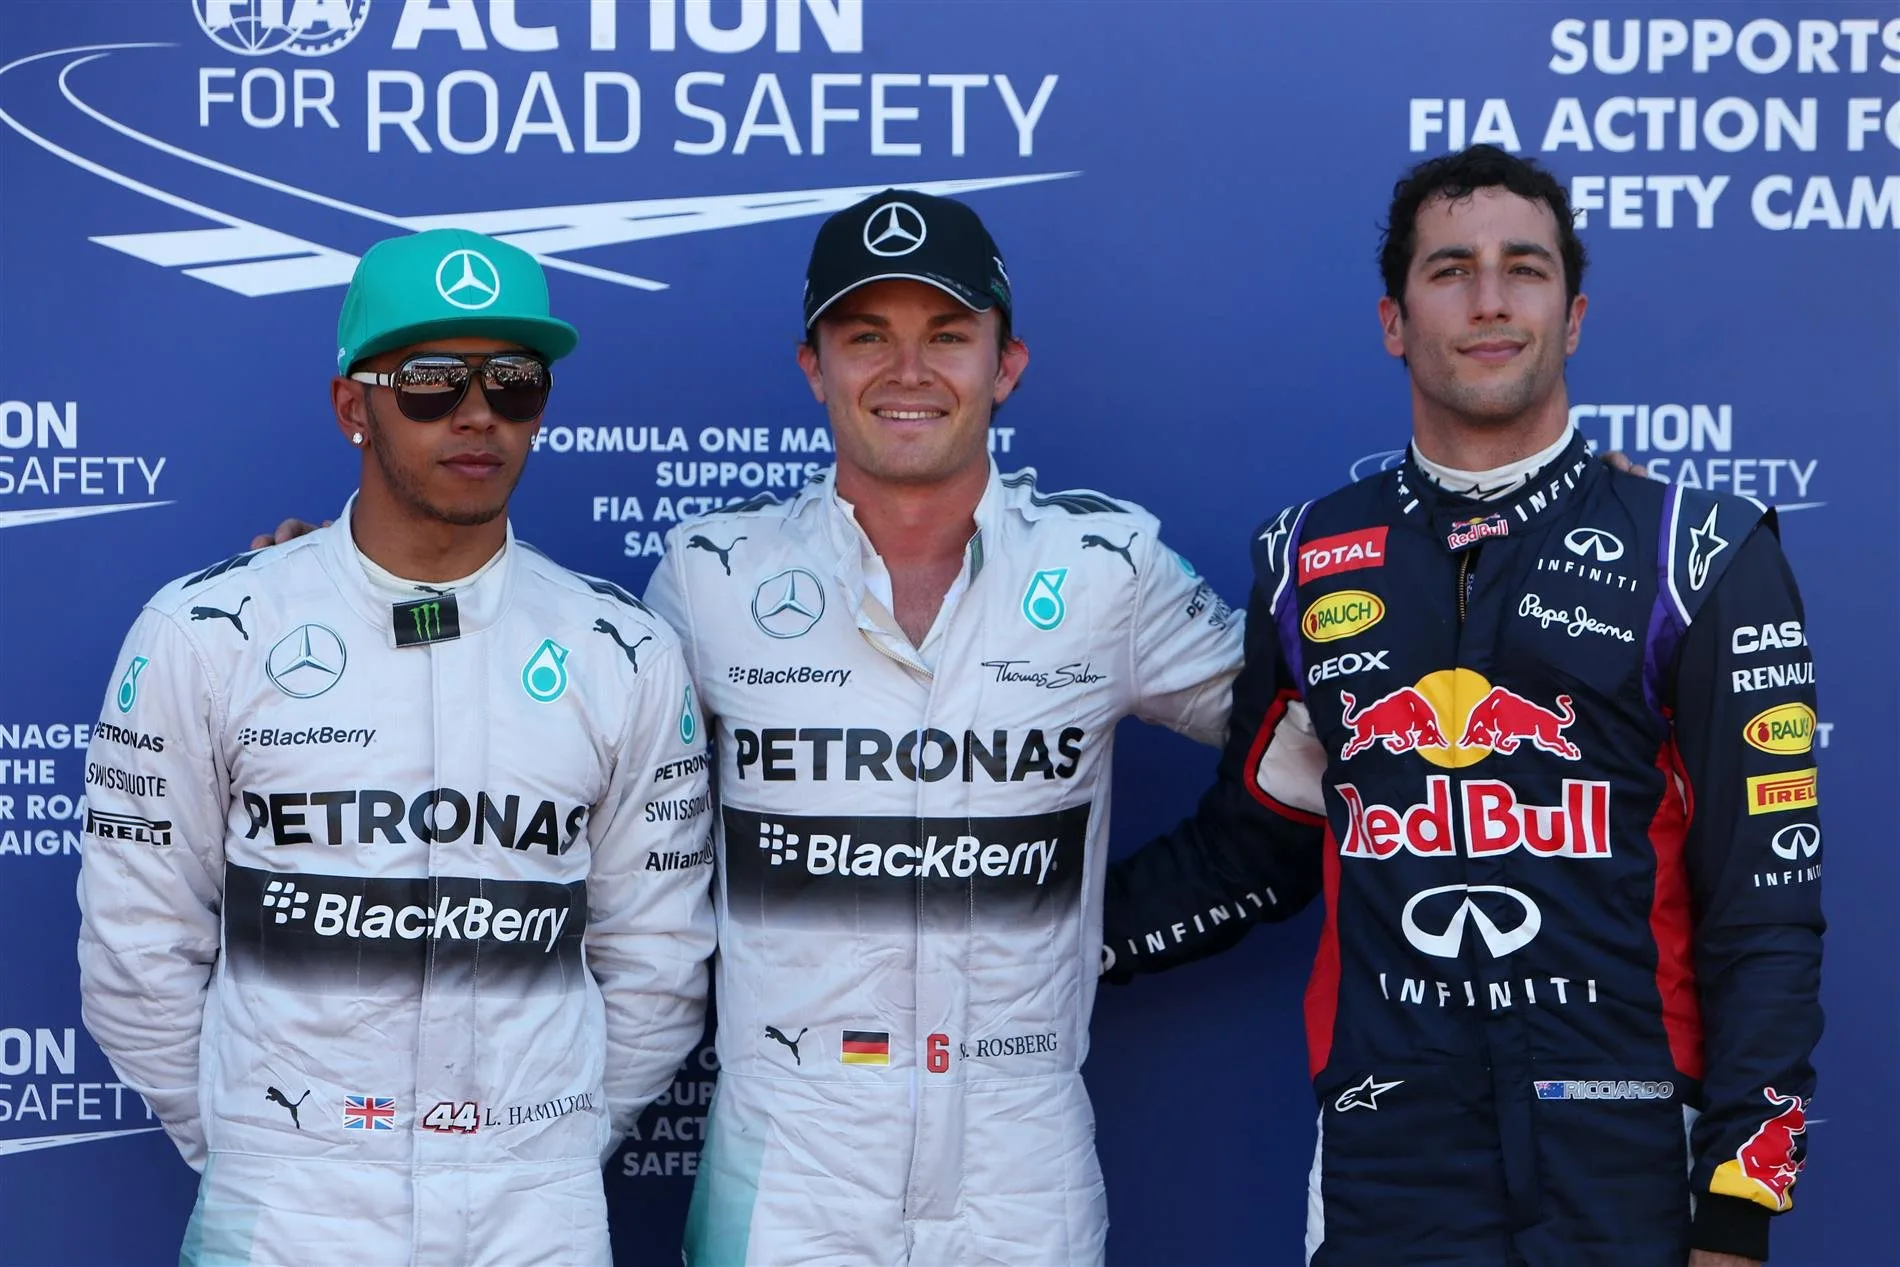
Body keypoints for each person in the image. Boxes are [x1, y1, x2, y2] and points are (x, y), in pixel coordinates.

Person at [1102, 145, 1824, 1267]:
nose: (1489, 300)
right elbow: (1256, 846)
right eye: (1450, 270)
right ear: (1394, 320)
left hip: (1630, 1149)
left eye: (1521, 268)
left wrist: (1739, 1206)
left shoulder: (1700, 555)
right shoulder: (1307, 561)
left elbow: (1765, 917)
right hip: (1386, 1154)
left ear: (1572, 314)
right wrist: (1035, 938)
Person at [636, 188, 1324, 1266]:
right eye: (867, 337)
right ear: (812, 365)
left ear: (1006, 366)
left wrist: (1523, 565)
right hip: (787, 1150)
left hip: (1021, 1147)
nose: (907, 373)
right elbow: (565, 754)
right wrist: (349, 598)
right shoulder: (710, 576)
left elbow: (1325, 719)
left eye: (947, 337)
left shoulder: (1106, 569)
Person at [78, 228, 716, 1266]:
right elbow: (135, 951)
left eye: (513, 381)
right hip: (286, 1215)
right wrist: (262, 1147)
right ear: (351, 407)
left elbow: (657, 961)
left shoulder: (624, 652)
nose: (476, 413)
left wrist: (539, 1148)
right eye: (428, 380)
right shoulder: (207, 631)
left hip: (533, 1215)